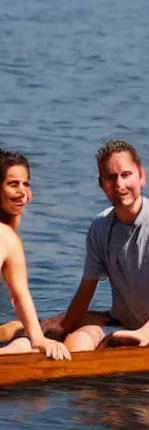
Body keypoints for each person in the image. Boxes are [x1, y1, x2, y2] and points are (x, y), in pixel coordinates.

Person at [45, 140, 149, 352]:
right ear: (101, 184)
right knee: (76, 342)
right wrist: (62, 329)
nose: (120, 185)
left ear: (141, 177)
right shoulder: (100, 227)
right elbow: (87, 287)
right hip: (119, 324)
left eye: (126, 175)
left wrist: (144, 335)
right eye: (111, 178)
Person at [0, 149, 70, 359]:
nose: (22, 192)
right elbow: (19, 295)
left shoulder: (8, 232)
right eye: (13, 184)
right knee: (25, 344)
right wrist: (38, 340)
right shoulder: (7, 237)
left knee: (21, 327)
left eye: (26, 184)